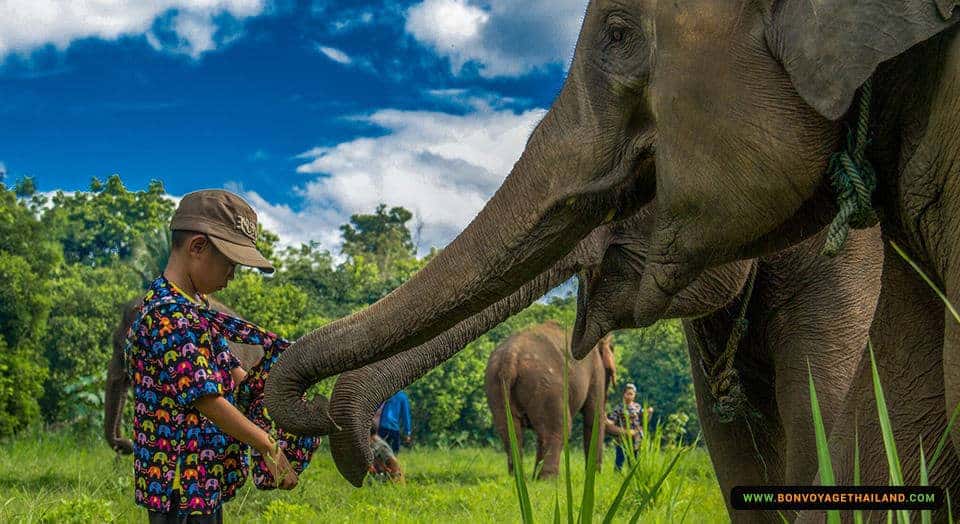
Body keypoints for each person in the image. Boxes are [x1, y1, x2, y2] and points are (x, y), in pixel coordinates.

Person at [125, 189, 302, 523]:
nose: (232, 276)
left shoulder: (195, 309)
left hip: (200, 475)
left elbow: (232, 371)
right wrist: (267, 445)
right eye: (230, 265)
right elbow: (206, 398)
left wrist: (281, 403)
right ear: (197, 247)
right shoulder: (169, 316)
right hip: (177, 480)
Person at [605, 383, 644, 471]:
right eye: (627, 393)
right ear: (624, 394)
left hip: (636, 438)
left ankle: (633, 476)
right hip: (622, 438)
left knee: (634, 460)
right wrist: (605, 419)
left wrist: (649, 413)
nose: (629, 396)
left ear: (634, 395)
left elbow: (643, 420)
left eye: (631, 394)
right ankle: (617, 477)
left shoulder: (638, 407)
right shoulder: (618, 408)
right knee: (620, 459)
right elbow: (612, 421)